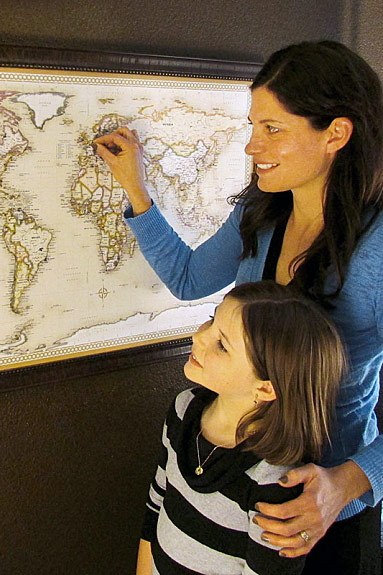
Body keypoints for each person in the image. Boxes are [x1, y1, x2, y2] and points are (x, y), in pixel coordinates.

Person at [95, 40, 383, 573]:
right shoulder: (263, 208)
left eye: (273, 128)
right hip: (231, 488)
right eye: (253, 125)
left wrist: (348, 482)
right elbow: (188, 278)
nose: (253, 146)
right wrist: (136, 189)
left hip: (319, 519)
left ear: (336, 135)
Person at [138, 281, 345, 575]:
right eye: (212, 318)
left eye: (222, 345)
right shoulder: (183, 409)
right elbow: (156, 505)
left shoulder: (274, 481)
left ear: (265, 388)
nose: (199, 337)